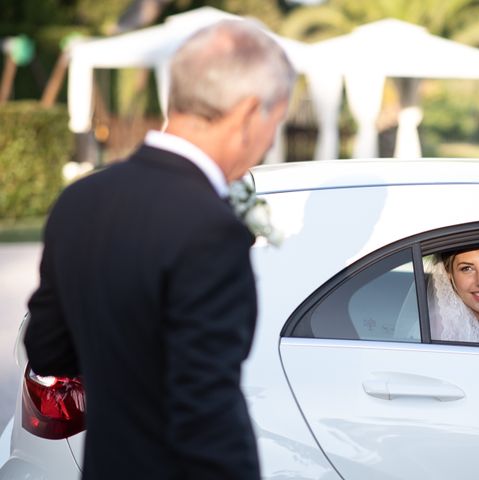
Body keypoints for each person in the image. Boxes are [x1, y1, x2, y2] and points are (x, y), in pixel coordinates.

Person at [24, 19, 295, 480]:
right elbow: (205, 408)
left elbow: (46, 348)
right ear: (250, 111)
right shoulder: (210, 228)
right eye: (276, 121)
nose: (270, 140)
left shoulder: (80, 201)